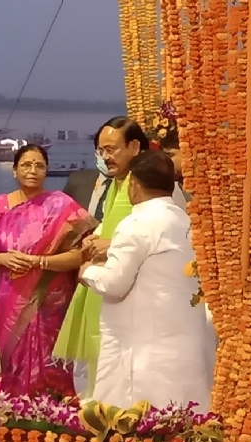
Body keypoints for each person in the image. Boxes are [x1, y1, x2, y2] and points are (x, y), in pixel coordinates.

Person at [54, 116, 188, 397]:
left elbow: (172, 233)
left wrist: (111, 244)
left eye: (112, 149)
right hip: (105, 285)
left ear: (134, 147)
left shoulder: (157, 186)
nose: (106, 157)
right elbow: (113, 224)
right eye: (101, 150)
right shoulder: (116, 183)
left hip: (139, 299)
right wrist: (96, 237)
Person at [79, 151, 213, 410]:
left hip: (144, 350)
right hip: (185, 345)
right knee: (183, 419)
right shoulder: (188, 222)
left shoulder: (137, 223)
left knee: (138, 420)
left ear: (134, 184)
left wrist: (87, 271)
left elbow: (114, 283)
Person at [0, 144, 97, 397]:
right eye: (26, 165)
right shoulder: (0, 204)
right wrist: (1, 259)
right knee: (13, 358)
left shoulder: (61, 205)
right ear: (15, 170)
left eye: (39, 165)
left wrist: (38, 262)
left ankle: (51, 407)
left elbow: (81, 254)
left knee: (49, 358)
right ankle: (15, 402)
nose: (33, 170)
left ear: (46, 171)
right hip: (10, 297)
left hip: (50, 297)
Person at [63, 152, 111, 220]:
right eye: (101, 151)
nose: (106, 156)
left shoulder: (127, 185)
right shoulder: (77, 180)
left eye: (110, 150)